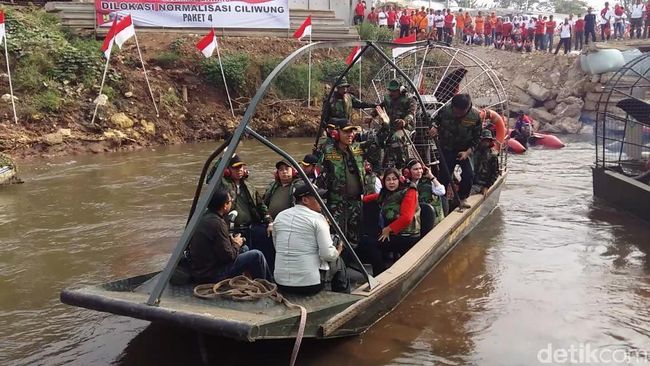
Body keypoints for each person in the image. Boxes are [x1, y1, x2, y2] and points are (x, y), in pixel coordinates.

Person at [273, 181, 349, 295]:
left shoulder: (280, 216)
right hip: (309, 285)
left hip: (280, 283)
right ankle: (345, 297)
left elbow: (276, 246)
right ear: (305, 200)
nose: (322, 201)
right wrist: (338, 251)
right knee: (338, 260)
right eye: (318, 197)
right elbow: (327, 254)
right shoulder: (318, 219)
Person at [188, 189, 273, 284]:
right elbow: (229, 257)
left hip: (200, 270)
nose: (231, 204)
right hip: (212, 274)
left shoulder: (204, 217)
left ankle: (252, 281)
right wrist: (236, 243)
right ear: (225, 206)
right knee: (257, 255)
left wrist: (231, 242)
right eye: (230, 202)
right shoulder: (218, 223)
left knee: (244, 248)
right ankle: (267, 285)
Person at [218, 155, 275, 269]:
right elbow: (212, 177)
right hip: (231, 228)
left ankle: (270, 271)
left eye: (241, 167)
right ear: (228, 170)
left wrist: (269, 222)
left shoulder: (249, 186)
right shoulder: (223, 185)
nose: (239, 170)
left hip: (250, 227)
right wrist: (223, 158)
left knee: (267, 236)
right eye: (235, 168)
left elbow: (260, 205)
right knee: (239, 253)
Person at [317, 118, 366, 245]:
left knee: (355, 235)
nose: (350, 135)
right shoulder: (327, 151)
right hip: (336, 203)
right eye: (346, 132)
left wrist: (386, 125)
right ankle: (340, 262)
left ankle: (353, 261)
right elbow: (319, 178)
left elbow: (380, 142)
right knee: (337, 236)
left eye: (352, 132)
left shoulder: (358, 149)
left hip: (355, 202)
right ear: (337, 133)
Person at [428, 94, 482, 210]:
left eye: (460, 113)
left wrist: (467, 152)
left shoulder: (475, 116)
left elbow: (477, 138)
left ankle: (461, 198)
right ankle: (442, 202)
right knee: (444, 175)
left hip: (464, 150)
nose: (457, 114)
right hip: (447, 148)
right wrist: (434, 127)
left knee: (469, 175)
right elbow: (435, 120)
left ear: (467, 108)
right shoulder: (446, 110)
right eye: (455, 111)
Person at [362, 168, 421, 263]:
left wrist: (388, 229)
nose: (391, 182)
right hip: (394, 233)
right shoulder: (387, 193)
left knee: (371, 244)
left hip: (407, 234)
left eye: (394, 179)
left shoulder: (409, 191)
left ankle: (379, 274)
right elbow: (376, 197)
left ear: (399, 180)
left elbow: (407, 218)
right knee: (367, 238)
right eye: (388, 180)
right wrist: (360, 199)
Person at [378, 79, 418, 169]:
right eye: (390, 91)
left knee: (396, 138)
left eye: (394, 91)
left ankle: (401, 164)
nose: (392, 93)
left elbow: (411, 113)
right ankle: (380, 165)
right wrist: (372, 116)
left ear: (400, 89)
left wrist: (404, 121)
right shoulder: (389, 97)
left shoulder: (410, 99)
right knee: (376, 138)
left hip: (406, 128)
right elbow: (381, 106)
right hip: (390, 126)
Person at [406, 159, 445, 224]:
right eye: (415, 169)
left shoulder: (429, 182)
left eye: (420, 168)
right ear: (408, 172)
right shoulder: (406, 184)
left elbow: (441, 191)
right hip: (417, 220)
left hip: (434, 220)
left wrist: (431, 176)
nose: (419, 171)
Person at [471, 130, 500, 195]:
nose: (485, 143)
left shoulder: (493, 156)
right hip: (470, 181)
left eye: (487, 140)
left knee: (467, 192)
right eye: (484, 140)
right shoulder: (473, 151)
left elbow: (495, 173)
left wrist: (487, 187)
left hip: (480, 184)